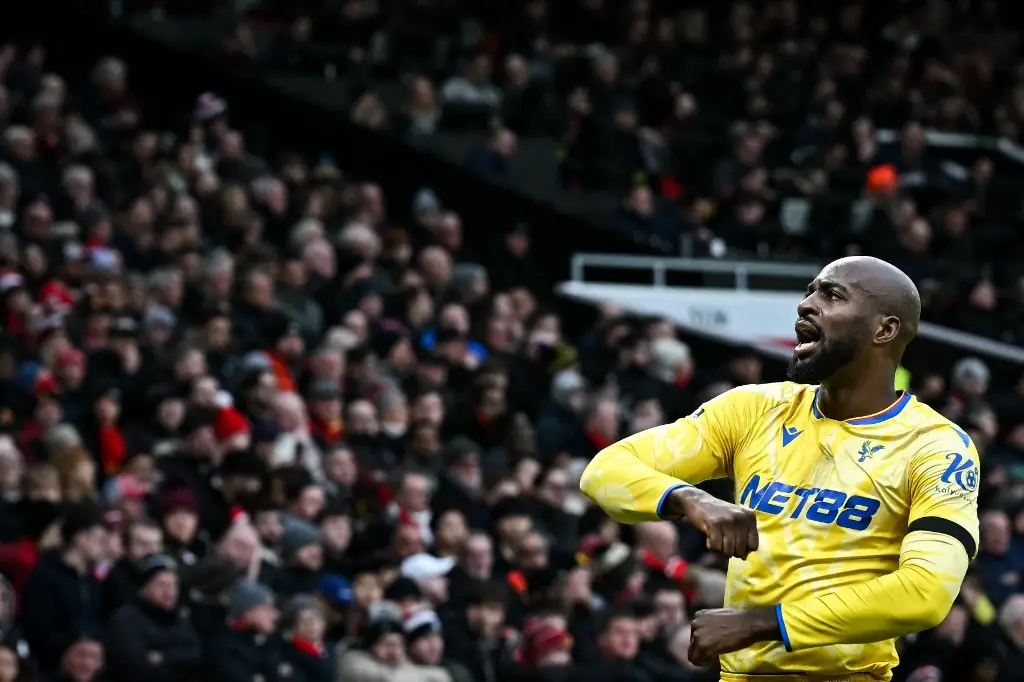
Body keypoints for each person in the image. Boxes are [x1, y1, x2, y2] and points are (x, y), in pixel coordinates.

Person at [580, 256, 980, 680]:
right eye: (810, 291)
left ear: (884, 329)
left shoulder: (936, 447)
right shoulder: (755, 409)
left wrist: (762, 623)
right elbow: (605, 470)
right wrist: (690, 498)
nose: (806, 304)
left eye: (831, 295)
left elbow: (926, 593)